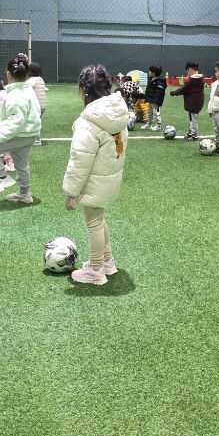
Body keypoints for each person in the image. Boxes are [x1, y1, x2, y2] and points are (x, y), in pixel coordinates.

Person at [63, 64, 130, 285]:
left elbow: (79, 161)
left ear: (84, 90)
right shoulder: (118, 113)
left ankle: (95, 270)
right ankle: (107, 261)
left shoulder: (87, 123)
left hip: (95, 182)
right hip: (110, 179)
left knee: (93, 223)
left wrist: (71, 192)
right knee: (99, 220)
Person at [0, 57, 41, 203]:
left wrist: (0, 134)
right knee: (21, 163)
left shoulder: (15, 95)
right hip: (30, 134)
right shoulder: (28, 90)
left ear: (8, 74)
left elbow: (16, 120)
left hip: (20, 134)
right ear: (27, 74)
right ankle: (24, 193)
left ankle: (3, 179)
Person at [168, 61, 205, 140]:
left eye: (187, 71)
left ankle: (193, 134)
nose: (187, 73)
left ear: (190, 69)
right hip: (198, 101)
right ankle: (190, 133)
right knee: (193, 118)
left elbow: (183, 90)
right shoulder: (200, 78)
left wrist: (173, 93)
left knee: (192, 119)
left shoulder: (192, 80)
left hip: (192, 103)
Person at [26, 61, 48, 146]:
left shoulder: (32, 80)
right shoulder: (40, 79)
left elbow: (25, 87)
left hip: (36, 106)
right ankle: (35, 138)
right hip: (42, 106)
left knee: (33, 122)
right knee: (37, 121)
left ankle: (36, 140)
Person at [144, 65, 166, 130]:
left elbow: (159, 92)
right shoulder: (151, 80)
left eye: (150, 71)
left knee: (156, 112)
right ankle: (148, 124)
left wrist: (156, 100)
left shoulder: (159, 81)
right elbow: (148, 91)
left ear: (153, 73)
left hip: (156, 100)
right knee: (149, 112)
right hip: (150, 99)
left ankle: (158, 125)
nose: (149, 72)